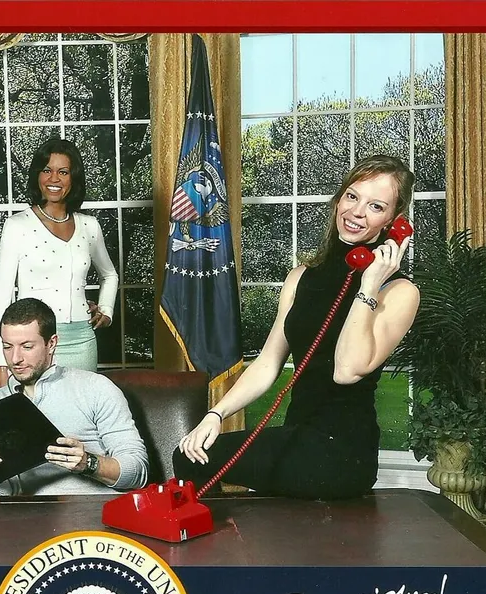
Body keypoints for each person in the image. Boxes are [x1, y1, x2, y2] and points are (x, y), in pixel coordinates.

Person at [174, 155, 420, 499]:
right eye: (352, 197)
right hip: (298, 436)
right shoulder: (301, 278)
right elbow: (267, 364)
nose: (357, 212)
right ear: (339, 199)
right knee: (190, 455)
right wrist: (216, 414)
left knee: (196, 464)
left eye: (375, 206)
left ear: (393, 222)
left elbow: (347, 371)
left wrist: (368, 284)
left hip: (343, 452)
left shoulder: (399, 291)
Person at [0, 298, 148, 496]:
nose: (15, 359)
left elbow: (138, 472)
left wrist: (89, 463)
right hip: (21, 520)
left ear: (51, 343)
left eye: (27, 346)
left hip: (90, 516)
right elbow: (1, 493)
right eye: (7, 347)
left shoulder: (96, 388)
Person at [0, 138, 119, 389]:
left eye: (63, 172)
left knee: (79, 419)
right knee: (35, 422)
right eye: (47, 170)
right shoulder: (18, 226)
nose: (54, 179)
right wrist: (0, 362)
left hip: (82, 340)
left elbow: (110, 275)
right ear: (38, 176)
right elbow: (2, 296)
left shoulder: (89, 226)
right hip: (32, 342)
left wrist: (106, 310)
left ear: (74, 178)